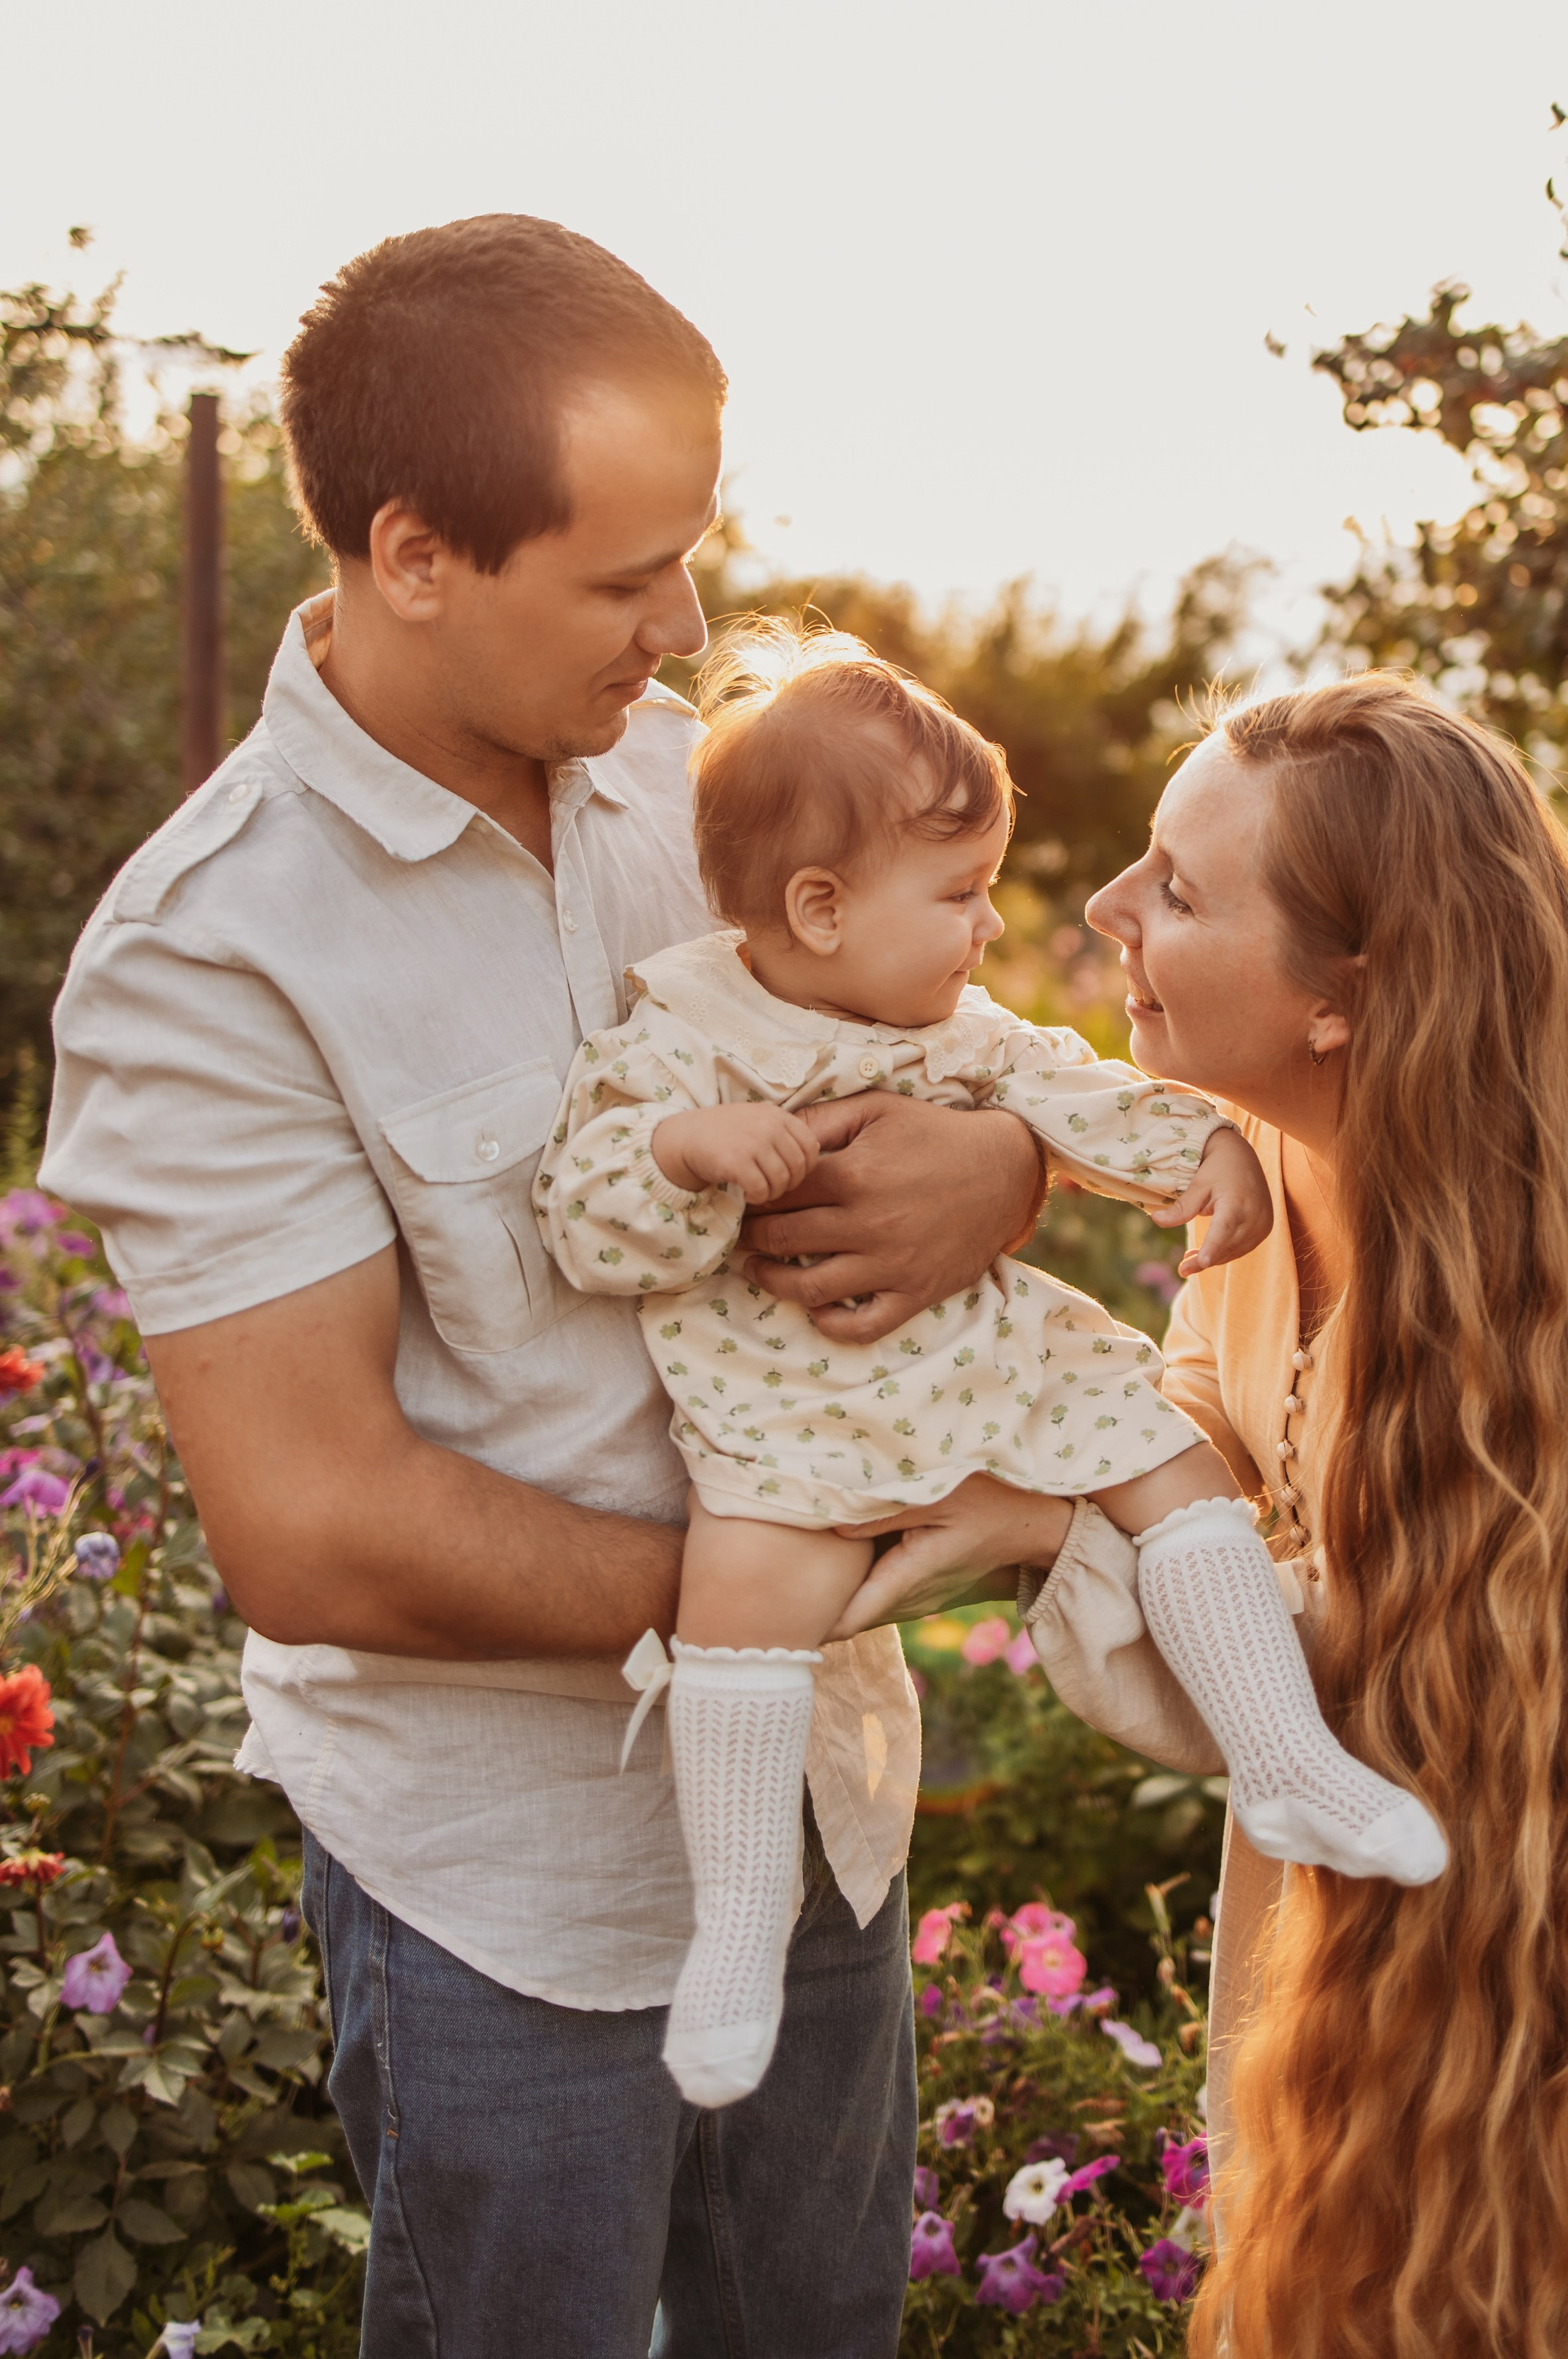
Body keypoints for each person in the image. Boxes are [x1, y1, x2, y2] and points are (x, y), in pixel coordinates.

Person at [38, 214, 1054, 2359]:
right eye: (622, 577)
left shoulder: (695, 785)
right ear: (415, 554)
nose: (684, 618)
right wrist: (804, 1584)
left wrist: (1002, 1164)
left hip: (816, 1829)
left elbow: (935, 1032)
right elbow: (313, 1529)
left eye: (689, 553)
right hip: (508, 1897)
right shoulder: (214, 956)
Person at [845, 675, 1568, 2357]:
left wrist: (1042, 1523)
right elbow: (1204, 1443)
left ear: (1342, 998)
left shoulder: (1552, 1266)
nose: (1103, 912)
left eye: (1181, 890)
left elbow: (1353, 1667)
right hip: (1392, 1838)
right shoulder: (1262, 1153)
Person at [535, 624, 1447, 2108]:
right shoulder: (685, 1032)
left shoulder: (960, 1029)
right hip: (787, 1400)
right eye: (958, 896)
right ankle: (734, 1933)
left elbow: (1078, 1092)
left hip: (987, 1369)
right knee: (745, 1600)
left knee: (1168, 1462)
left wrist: (1202, 1149)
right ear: (818, 909)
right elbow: (590, 1217)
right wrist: (684, 1153)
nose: (990, 929)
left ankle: (1285, 1755)